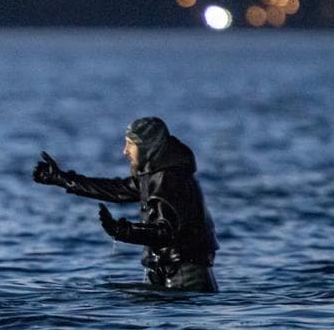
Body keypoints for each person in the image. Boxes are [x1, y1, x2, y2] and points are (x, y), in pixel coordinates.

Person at [32, 117, 219, 292]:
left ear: (148, 147)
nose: (125, 150)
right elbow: (116, 189)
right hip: (171, 272)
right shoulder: (156, 174)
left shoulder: (169, 179)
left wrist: (122, 231)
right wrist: (62, 179)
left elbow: (166, 233)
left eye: (131, 144)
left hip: (185, 277)